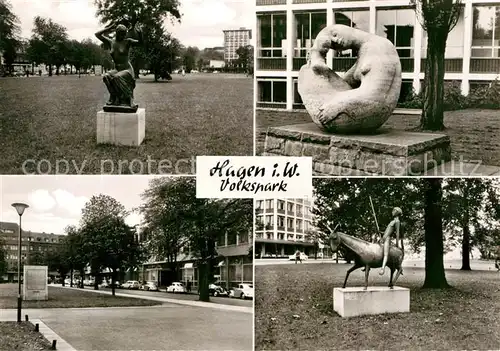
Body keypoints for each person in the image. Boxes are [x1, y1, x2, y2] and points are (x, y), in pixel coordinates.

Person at [95, 22, 143, 109]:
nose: (123, 36)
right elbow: (97, 35)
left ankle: (129, 99)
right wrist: (108, 28)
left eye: (124, 34)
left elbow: (140, 43)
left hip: (127, 69)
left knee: (117, 77)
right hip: (117, 69)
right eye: (121, 34)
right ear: (116, 33)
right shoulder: (111, 42)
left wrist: (140, 34)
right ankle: (113, 97)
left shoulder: (127, 41)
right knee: (106, 76)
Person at [379, 207, 402, 276]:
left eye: (394, 211)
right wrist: (380, 232)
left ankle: (382, 268)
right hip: (383, 238)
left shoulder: (397, 222)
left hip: (387, 239)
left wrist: (397, 244)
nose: (392, 212)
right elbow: (387, 231)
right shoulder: (391, 221)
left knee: (386, 254)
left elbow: (397, 233)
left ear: (397, 212)